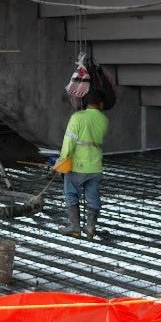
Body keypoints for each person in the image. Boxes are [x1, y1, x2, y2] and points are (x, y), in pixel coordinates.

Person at [57, 90, 109, 239]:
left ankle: (74, 227)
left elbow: (69, 141)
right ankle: (90, 228)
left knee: (71, 194)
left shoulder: (77, 118)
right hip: (96, 167)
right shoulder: (104, 120)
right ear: (100, 104)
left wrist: (62, 161)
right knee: (93, 197)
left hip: (78, 166)